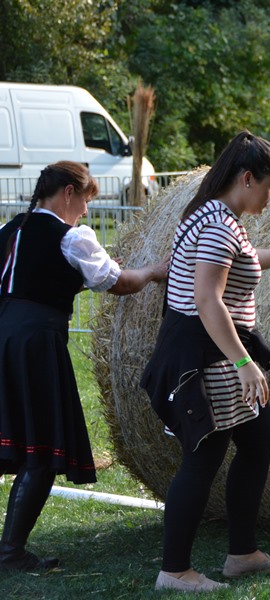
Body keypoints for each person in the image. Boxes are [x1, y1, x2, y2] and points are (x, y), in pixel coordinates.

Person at [141, 131, 270, 592]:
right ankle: (174, 571)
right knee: (203, 458)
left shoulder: (212, 216)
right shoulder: (219, 226)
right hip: (209, 357)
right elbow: (207, 299)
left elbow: (243, 260)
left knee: (258, 441)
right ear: (246, 178)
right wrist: (244, 364)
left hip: (213, 350)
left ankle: (243, 554)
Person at [0, 161, 167, 571]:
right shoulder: (72, 236)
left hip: (4, 336)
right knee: (40, 447)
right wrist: (151, 271)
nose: (87, 211)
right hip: (36, 343)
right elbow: (120, 283)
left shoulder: (11, 229)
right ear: (69, 193)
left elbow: (29, 283)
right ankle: (10, 552)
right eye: (86, 200)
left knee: (10, 435)